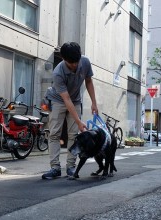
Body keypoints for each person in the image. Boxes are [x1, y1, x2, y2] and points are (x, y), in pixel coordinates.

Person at [42, 42, 98, 179]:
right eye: (71, 62)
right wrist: (79, 121)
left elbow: (88, 81)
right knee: (54, 133)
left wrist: (94, 103)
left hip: (76, 100)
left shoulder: (85, 62)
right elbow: (66, 99)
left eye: (76, 61)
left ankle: (71, 167)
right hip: (58, 100)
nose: (75, 65)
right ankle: (55, 168)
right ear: (63, 59)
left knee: (74, 135)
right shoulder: (58, 73)